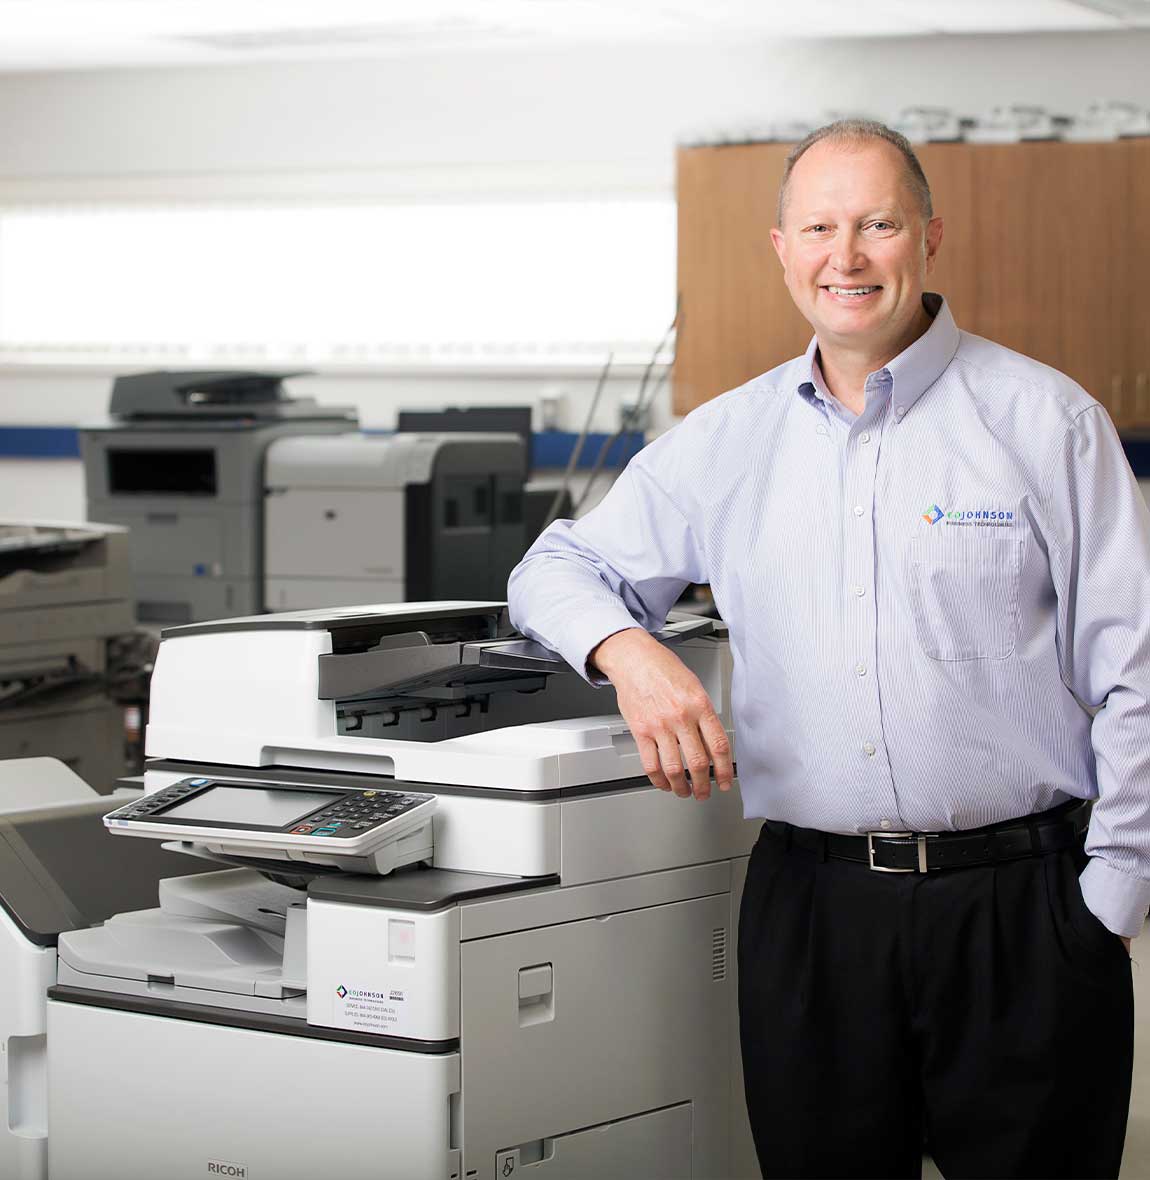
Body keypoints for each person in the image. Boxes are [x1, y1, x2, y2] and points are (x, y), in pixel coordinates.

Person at [507, 118, 1150, 1178]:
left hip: (1022, 914)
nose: (844, 256)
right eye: (817, 226)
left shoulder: (1044, 422)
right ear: (780, 247)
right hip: (812, 917)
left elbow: (1136, 672)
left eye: (875, 224)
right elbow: (551, 570)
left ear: (927, 237)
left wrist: (1109, 899)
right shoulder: (726, 439)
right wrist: (631, 649)